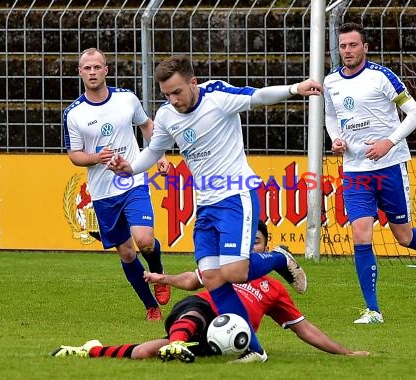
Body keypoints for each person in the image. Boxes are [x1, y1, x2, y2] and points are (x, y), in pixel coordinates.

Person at [107, 55, 323, 361]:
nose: (173, 99)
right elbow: (154, 151)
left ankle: (277, 258)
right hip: (205, 204)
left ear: (193, 82)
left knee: (234, 272)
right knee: (211, 277)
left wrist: (294, 89)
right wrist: (129, 168)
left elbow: (258, 96)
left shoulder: (218, 97)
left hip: (236, 195)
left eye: (177, 92)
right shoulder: (167, 116)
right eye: (167, 94)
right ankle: (254, 350)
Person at [51, 221, 370, 362]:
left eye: (256, 243)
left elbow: (305, 329)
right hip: (199, 315)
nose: (249, 247)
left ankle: (168, 346)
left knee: (147, 353)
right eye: (246, 243)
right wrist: (165, 279)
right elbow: (193, 279)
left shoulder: (273, 288)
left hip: (225, 341)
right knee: (190, 316)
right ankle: (89, 351)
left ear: (265, 245)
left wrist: (346, 353)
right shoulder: (226, 267)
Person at [323, 23, 416, 324]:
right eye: (343, 46)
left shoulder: (381, 77)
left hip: (390, 166)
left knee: (404, 237)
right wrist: (335, 139)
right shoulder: (331, 82)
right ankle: (373, 310)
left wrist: (387, 142)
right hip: (355, 171)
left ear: (365, 47)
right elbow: (331, 116)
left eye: (353, 45)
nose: (347, 51)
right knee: (360, 234)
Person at [63, 47, 171, 321]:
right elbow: (74, 155)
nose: (92, 72)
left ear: (106, 70)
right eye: (87, 68)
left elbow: (148, 126)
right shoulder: (74, 113)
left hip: (133, 180)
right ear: (80, 72)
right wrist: (96, 157)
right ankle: (150, 306)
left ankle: (159, 275)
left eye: (97, 67)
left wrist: (159, 154)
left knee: (145, 240)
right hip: (102, 192)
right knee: (126, 253)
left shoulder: (126, 99)